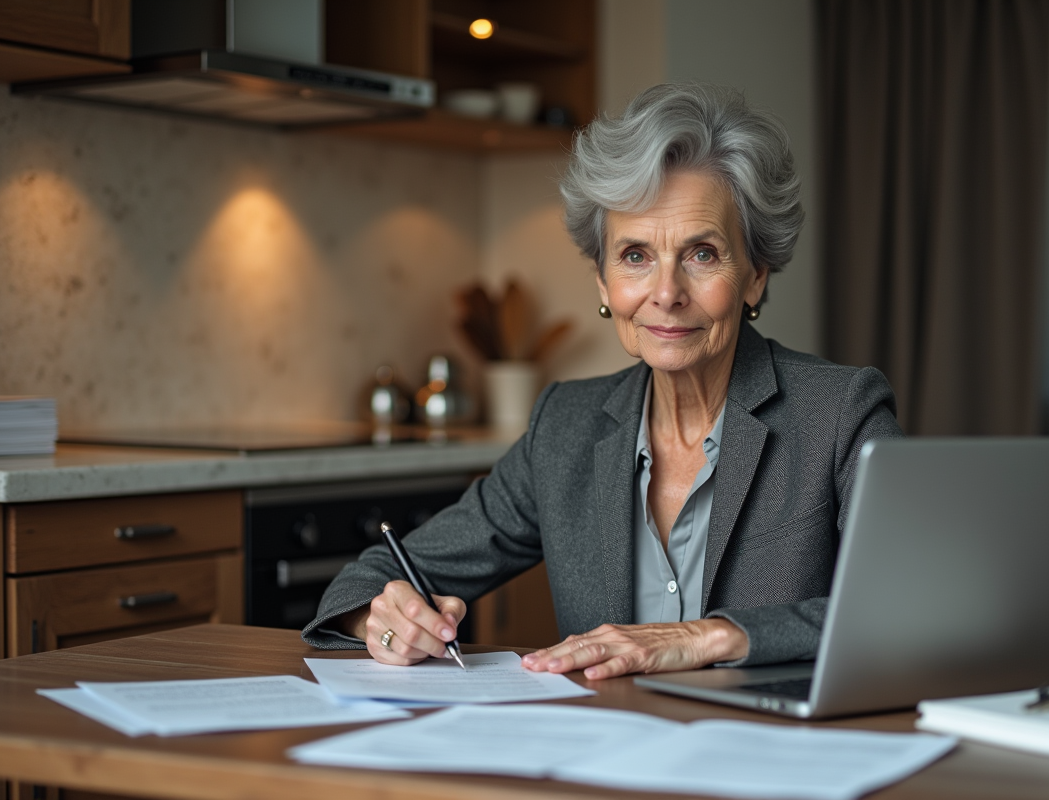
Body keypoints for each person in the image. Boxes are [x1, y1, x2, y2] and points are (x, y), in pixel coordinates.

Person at [301, 83, 902, 679]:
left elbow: (906, 610)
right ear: (602, 284)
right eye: (635, 256)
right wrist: (383, 622)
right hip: (604, 756)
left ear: (754, 277)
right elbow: (373, 577)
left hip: (777, 760)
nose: (665, 294)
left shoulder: (840, 412)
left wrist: (712, 637)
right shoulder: (566, 425)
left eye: (702, 254)